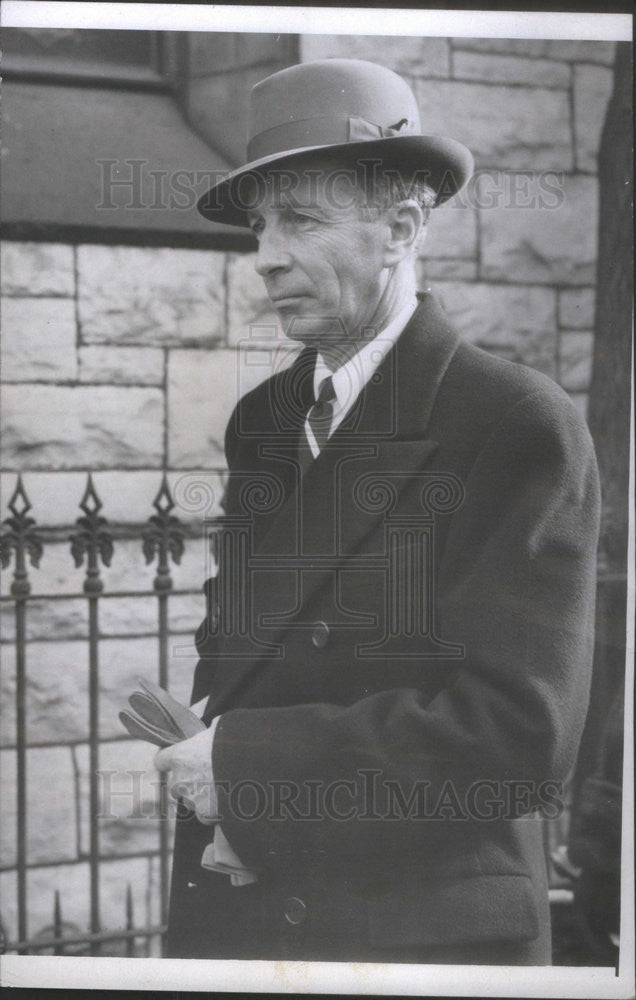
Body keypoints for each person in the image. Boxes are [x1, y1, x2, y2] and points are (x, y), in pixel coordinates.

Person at [154, 58, 600, 965]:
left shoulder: (512, 422)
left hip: (421, 939)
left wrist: (250, 778)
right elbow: (242, 658)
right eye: (261, 223)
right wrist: (227, 795)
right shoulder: (267, 421)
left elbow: (514, 738)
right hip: (247, 902)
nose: (269, 255)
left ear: (401, 228)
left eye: (303, 218)